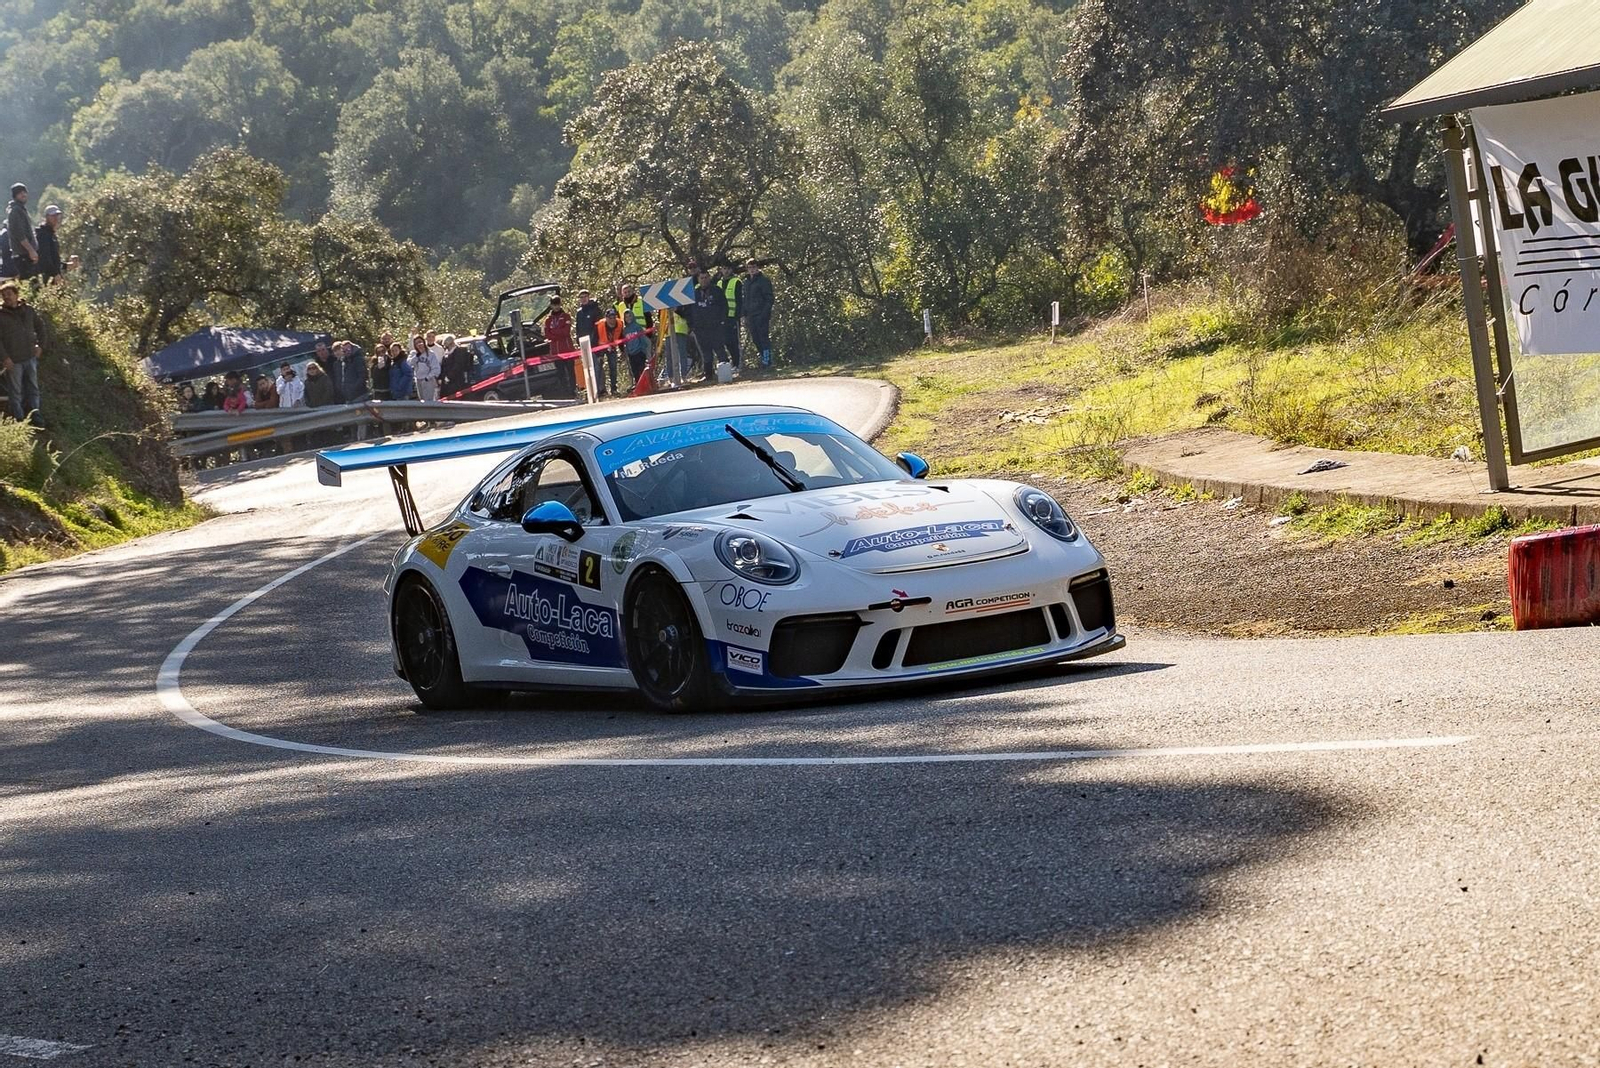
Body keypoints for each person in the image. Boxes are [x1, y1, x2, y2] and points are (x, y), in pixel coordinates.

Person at [0, 279, 46, 423]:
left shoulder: (28, 310)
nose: (6, 297)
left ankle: (35, 415)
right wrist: (5, 357)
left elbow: (41, 327)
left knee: (33, 387)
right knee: (15, 391)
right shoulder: (1, 315)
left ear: (16, 294)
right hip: (13, 360)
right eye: (3, 295)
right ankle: (19, 419)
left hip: (30, 357)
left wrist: (40, 345)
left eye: (9, 294)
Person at [691, 269, 724, 380]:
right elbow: (689, 311)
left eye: (706, 278)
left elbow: (724, 306)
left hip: (715, 326)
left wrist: (722, 321)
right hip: (700, 329)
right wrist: (693, 325)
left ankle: (725, 371)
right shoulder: (694, 294)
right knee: (706, 352)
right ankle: (708, 374)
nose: (704, 280)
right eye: (701, 278)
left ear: (709, 278)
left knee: (719, 349)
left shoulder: (717, 291)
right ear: (698, 280)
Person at [743, 259, 774, 368]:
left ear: (758, 267)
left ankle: (767, 361)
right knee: (755, 339)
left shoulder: (763, 281)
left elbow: (769, 298)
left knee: (763, 338)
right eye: (750, 267)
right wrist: (745, 314)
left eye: (754, 267)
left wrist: (764, 313)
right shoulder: (746, 282)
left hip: (761, 314)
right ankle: (763, 358)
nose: (752, 270)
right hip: (751, 315)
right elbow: (745, 299)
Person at [3, 185, 37, 280]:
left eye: (24, 192)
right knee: (30, 285)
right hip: (22, 256)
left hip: (26, 256)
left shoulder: (21, 209)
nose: (23, 194)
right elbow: (20, 234)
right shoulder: (15, 211)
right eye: (19, 192)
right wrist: (31, 250)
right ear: (15, 196)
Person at [716, 264, 743, 371]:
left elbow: (740, 300)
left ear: (731, 270)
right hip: (722, 318)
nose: (726, 271)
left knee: (734, 342)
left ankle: (737, 364)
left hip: (733, 317)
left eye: (728, 268)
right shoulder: (719, 283)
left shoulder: (736, 282)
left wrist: (738, 316)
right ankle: (731, 364)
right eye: (724, 268)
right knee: (726, 342)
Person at [595, 307, 626, 395]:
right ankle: (601, 390)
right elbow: (595, 339)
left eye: (613, 317)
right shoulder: (600, 325)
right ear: (606, 318)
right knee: (599, 368)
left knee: (613, 367)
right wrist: (598, 354)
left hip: (612, 347)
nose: (612, 320)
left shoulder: (620, 323)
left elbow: (620, 338)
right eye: (610, 317)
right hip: (601, 348)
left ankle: (614, 389)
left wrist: (622, 351)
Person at [34, 205, 64, 283]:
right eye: (53, 215)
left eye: (57, 215)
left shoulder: (51, 234)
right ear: (47, 217)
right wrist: (55, 274)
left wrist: (66, 266)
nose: (56, 218)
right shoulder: (43, 234)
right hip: (46, 276)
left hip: (53, 275)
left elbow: (54, 258)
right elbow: (45, 257)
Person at [409, 334, 441, 401]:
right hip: (418, 380)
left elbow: (436, 369)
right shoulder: (413, 353)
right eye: (417, 343)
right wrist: (417, 355)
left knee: (429, 400)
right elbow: (409, 364)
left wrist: (427, 377)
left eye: (420, 342)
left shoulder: (431, 354)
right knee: (421, 400)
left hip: (428, 380)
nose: (419, 344)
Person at [623, 308, 649, 388]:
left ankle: (645, 385)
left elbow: (642, 339)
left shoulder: (637, 327)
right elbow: (626, 342)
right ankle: (638, 385)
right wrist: (627, 351)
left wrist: (644, 351)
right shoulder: (625, 330)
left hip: (639, 352)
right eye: (626, 317)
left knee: (641, 369)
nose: (628, 318)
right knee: (634, 370)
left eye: (629, 316)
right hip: (631, 354)